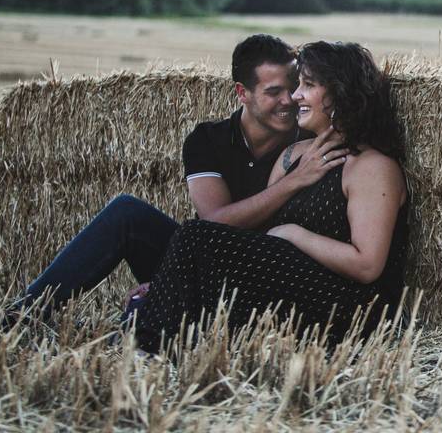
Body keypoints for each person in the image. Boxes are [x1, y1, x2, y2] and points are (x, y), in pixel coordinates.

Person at [7, 34, 333, 324]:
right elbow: (213, 224)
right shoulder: (208, 140)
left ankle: (154, 316)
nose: (290, 100)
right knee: (126, 214)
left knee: (145, 316)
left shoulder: (307, 140)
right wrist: (291, 182)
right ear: (241, 93)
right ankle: (22, 317)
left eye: (294, 88)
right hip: (201, 261)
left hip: (264, 278)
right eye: (274, 91)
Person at [133, 41, 408, 353]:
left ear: (339, 93)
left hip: (347, 308)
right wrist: (174, 280)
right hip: (288, 290)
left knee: (197, 236)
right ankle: (156, 323)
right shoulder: (292, 155)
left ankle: (147, 346)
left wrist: (294, 234)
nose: (295, 96)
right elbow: (255, 241)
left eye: (308, 85)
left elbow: (367, 266)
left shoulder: (372, 167)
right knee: (195, 246)